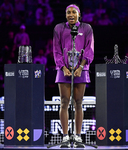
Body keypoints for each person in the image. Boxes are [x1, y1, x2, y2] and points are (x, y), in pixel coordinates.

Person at [53, 4, 94, 148]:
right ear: (65, 15)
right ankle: (65, 137)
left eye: (74, 12)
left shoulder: (86, 28)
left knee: (78, 103)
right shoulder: (59, 28)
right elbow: (56, 50)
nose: (71, 15)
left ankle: (77, 137)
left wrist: (81, 67)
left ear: (79, 14)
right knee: (64, 102)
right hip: (63, 69)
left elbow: (89, 49)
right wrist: (63, 67)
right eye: (68, 12)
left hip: (81, 70)